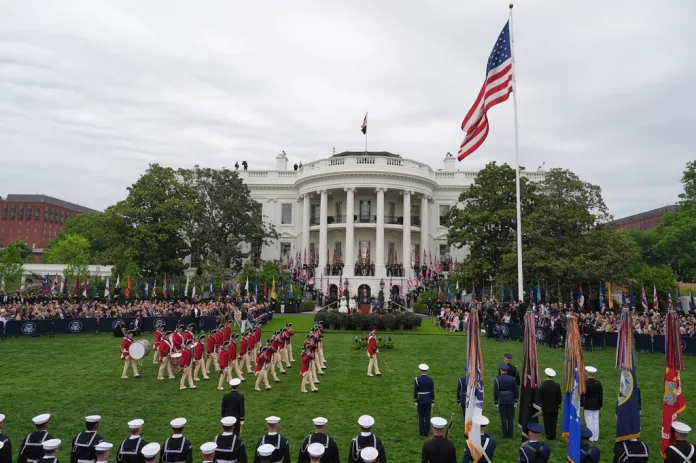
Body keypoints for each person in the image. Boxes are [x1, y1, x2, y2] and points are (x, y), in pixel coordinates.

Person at [494, 364, 518, 439]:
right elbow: (516, 390)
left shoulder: (497, 379)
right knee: (511, 418)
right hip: (511, 400)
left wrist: (496, 401)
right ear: (507, 371)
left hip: (501, 400)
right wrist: (516, 400)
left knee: (503, 418)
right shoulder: (513, 379)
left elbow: (496, 391)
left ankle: (505, 435)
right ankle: (510, 435)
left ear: (500, 370)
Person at [581, 366, 602, 443]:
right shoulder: (598, 383)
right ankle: (596, 437)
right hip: (596, 403)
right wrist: (600, 404)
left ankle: (590, 436)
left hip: (588, 403)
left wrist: (581, 404)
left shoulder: (584, 383)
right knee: (596, 420)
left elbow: (582, 394)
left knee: (589, 420)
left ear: (587, 373)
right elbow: (600, 395)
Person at [539, 368, 561, 441]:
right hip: (555, 407)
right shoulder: (557, 385)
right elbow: (559, 397)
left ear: (546, 375)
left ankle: (548, 435)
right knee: (554, 421)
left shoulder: (542, 385)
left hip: (545, 407)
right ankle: (553, 435)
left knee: (547, 421)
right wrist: (559, 404)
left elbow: (540, 396)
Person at [414, 364, 435, 437]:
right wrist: (432, 401)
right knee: (427, 416)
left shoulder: (417, 380)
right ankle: (426, 432)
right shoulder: (430, 380)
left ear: (420, 370)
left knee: (421, 416)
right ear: (427, 371)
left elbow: (415, 391)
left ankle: (421, 432)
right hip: (428, 400)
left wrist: (415, 400)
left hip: (420, 400)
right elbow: (432, 391)